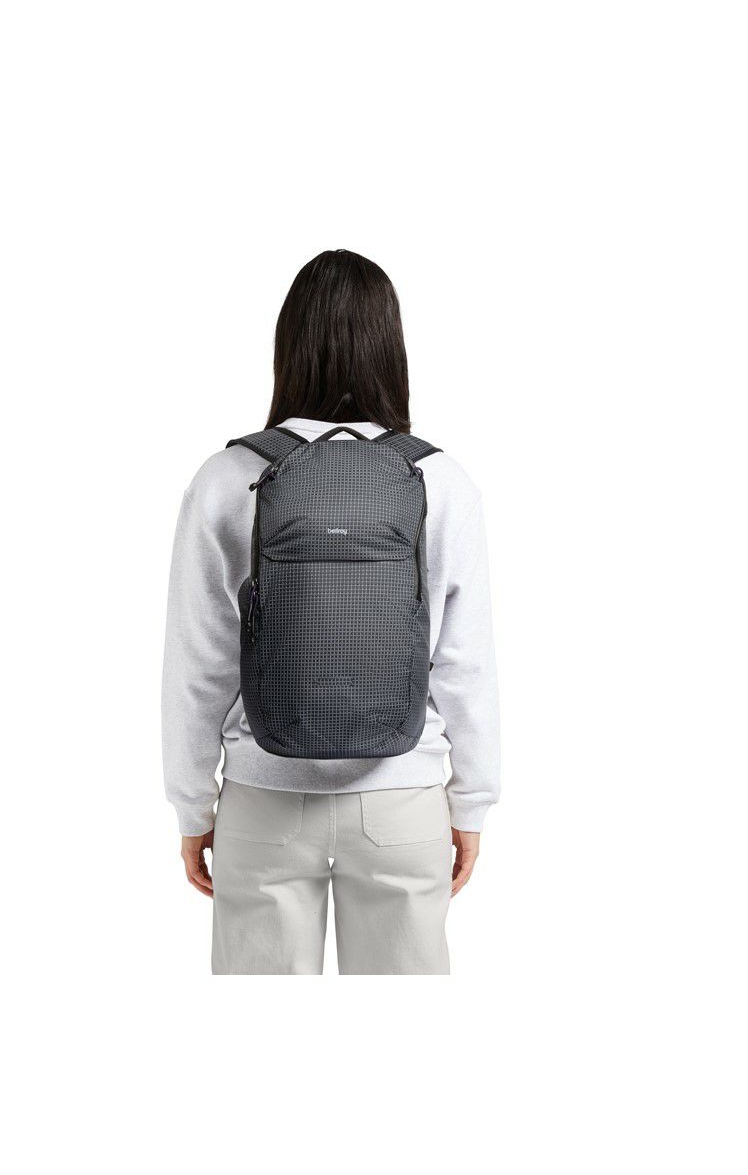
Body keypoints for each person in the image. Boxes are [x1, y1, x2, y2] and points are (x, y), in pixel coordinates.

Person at [162, 249, 500, 974]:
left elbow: (199, 663)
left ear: (288, 345)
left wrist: (193, 807)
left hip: (264, 798)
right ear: (391, 347)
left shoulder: (228, 477)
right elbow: (464, 665)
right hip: (404, 797)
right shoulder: (440, 480)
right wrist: (471, 803)